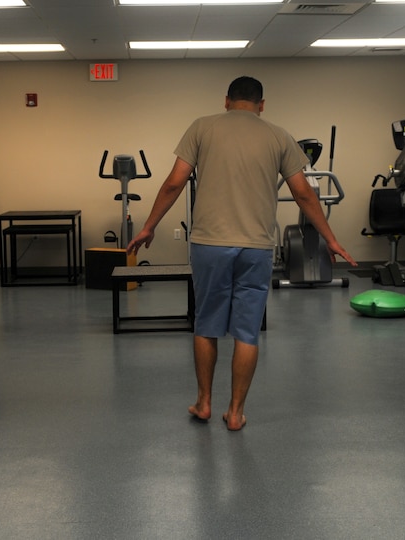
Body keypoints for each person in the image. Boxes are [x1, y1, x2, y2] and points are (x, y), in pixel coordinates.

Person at [127, 76, 357, 431]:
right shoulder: (279, 135)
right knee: (247, 332)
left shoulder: (201, 128)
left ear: (226, 101)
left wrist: (148, 226)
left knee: (206, 325)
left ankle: (204, 403)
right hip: (257, 247)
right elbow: (304, 195)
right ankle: (235, 413)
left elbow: (174, 182)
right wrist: (331, 239)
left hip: (210, 244)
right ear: (262, 105)